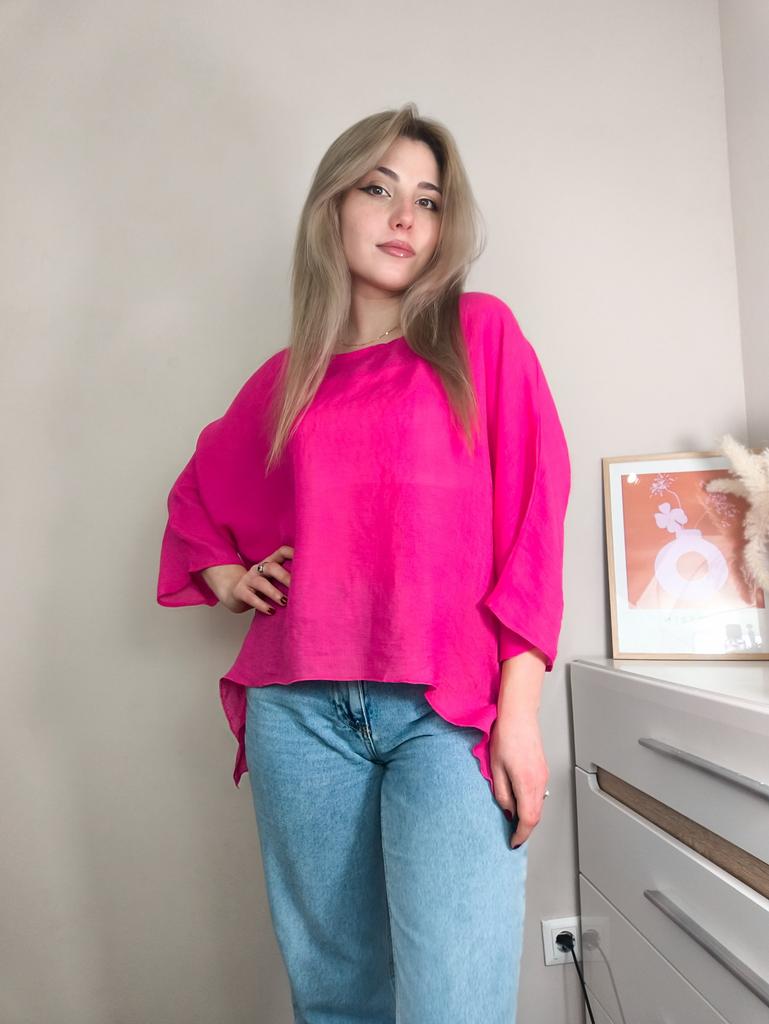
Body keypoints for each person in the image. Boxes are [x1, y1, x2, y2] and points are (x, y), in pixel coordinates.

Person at [157, 102, 571, 1024]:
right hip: (300, 713)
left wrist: (519, 714)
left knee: (454, 1005)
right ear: (333, 207)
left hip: (448, 711)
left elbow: (533, 526)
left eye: (427, 200)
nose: (403, 217)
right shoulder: (287, 380)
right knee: (336, 1001)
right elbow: (196, 500)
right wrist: (228, 575)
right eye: (378, 189)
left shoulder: (480, 336)